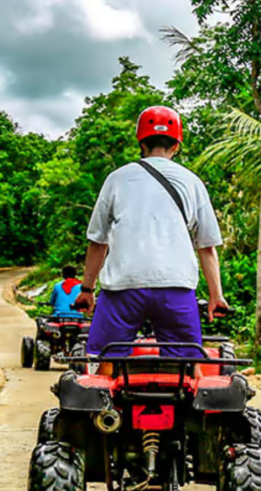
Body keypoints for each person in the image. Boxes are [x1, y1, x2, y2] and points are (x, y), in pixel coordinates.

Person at [74, 105, 227, 359]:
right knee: (188, 362)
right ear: (176, 146)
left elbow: (98, 242)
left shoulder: (117, 179)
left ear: (141, 143)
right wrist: (216, 296)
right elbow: (206, 247)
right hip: (176, 286)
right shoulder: (192, 182)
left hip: (122, 287)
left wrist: (87, 290)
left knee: (105, 359)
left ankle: (104, 394)